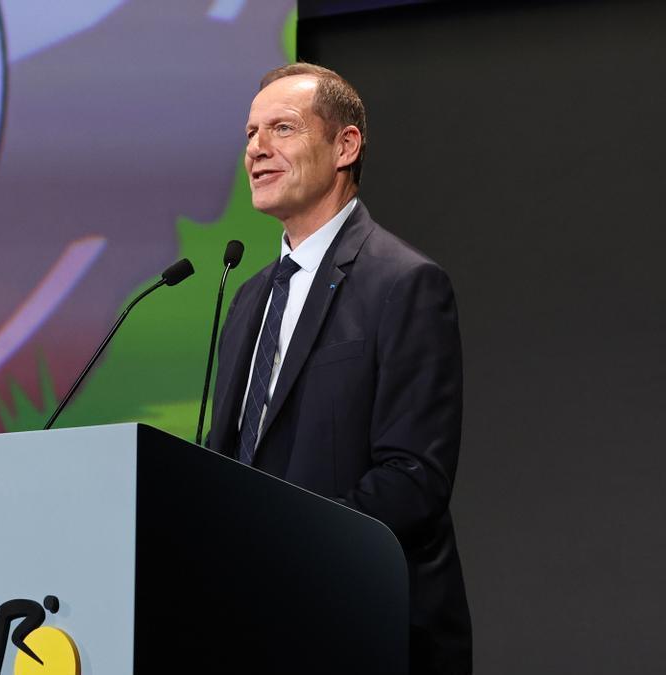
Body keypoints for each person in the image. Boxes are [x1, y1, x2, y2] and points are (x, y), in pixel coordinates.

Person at [206, 63, 472, 674]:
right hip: (250, 629)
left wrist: (287, 550)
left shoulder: (404, 283)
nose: (256, 150)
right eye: (250, 134)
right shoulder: (248, 297)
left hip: (361, 626)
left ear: (345, 145)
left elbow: (413, 478)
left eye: (282, 129)